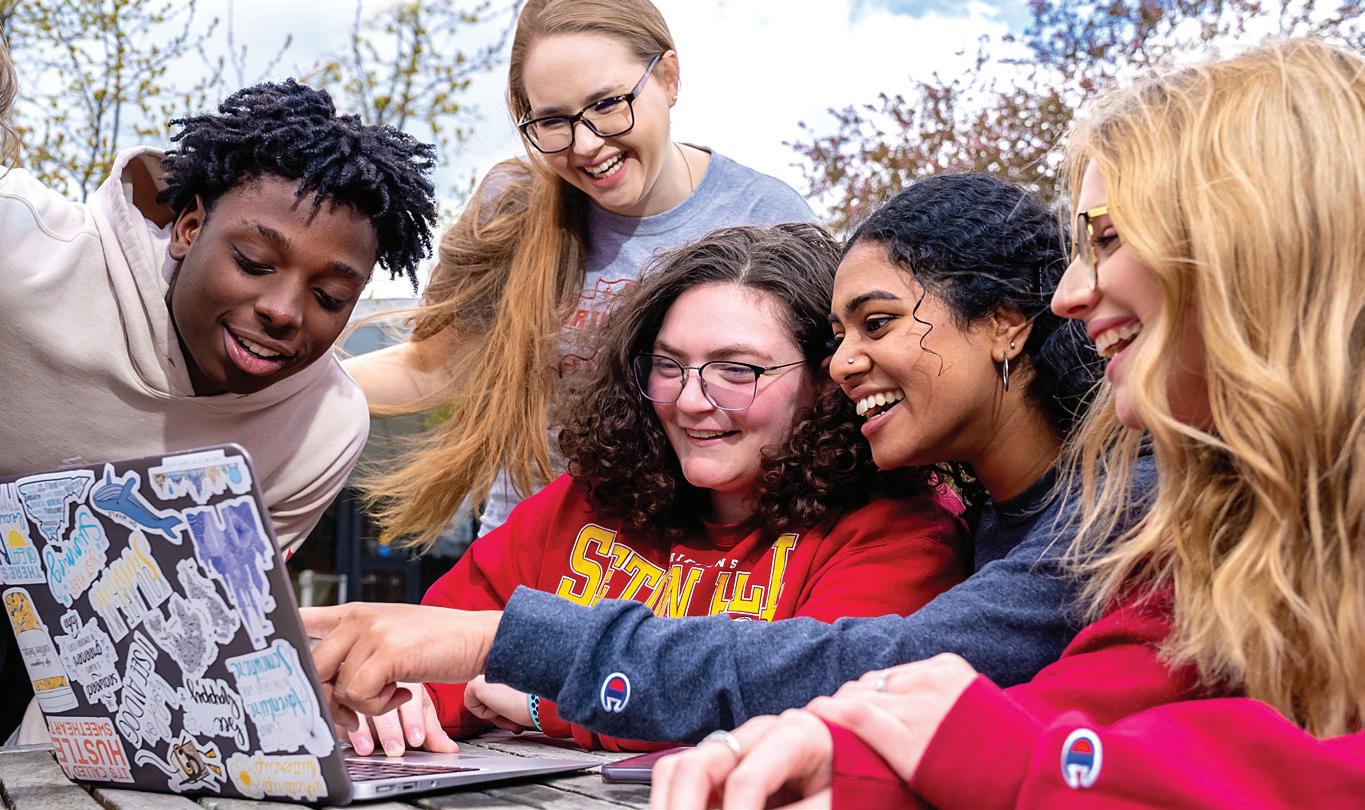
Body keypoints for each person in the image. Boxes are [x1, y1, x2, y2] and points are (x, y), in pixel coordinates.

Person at [649, 37, 1365, 809]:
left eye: (1108, 238)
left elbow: (972, 702)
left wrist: (984, 754)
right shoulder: (1228, 514)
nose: (1069, 294)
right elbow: (1089, 698)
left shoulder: (1129, 498)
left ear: (1261, 244)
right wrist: (860, 763)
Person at [305, 173, 1154, 751]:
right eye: (667, 366)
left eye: (877, 324)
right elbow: (414, 656)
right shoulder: (1006, 508)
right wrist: (395, 695)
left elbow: (872, 680)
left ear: (1007, 322)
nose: (846, 363)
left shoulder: (1118, 504)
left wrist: (519, 664)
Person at [347, 223, 969, 756]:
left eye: (737, 371)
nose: (691, 401)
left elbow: (813, 710)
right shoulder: (586, 503)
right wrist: (395, 703)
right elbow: (434, 649)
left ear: (828, 380)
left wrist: (547, 704)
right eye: (669, 366)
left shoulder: (899, 532)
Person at [0, 38, 437, 742]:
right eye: (254, 261)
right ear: (189, 227)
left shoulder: (323, 431)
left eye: (329, 296)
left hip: (93, 657)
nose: (284, 311)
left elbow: (175, 647)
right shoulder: (21, 256)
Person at [344, 0, 814, 545]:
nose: (586, 145)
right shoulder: (514, 208)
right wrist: (287, 384)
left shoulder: (764, 217)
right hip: (531, 549)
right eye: (553, 121)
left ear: (668, 76)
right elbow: (437, 364)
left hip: (694, 559)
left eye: (608, 104)